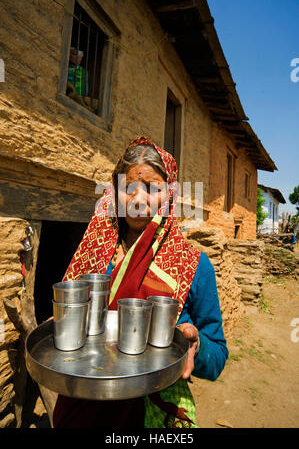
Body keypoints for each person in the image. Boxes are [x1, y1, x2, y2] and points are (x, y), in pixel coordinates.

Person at [52, 136, 228, 428]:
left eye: (153, 189)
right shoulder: (94, 256)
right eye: (128, 188)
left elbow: (218, 356)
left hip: (152, 414)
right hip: (83, 405)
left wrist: (196, 345)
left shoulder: (194, 267)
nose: (138, 200)